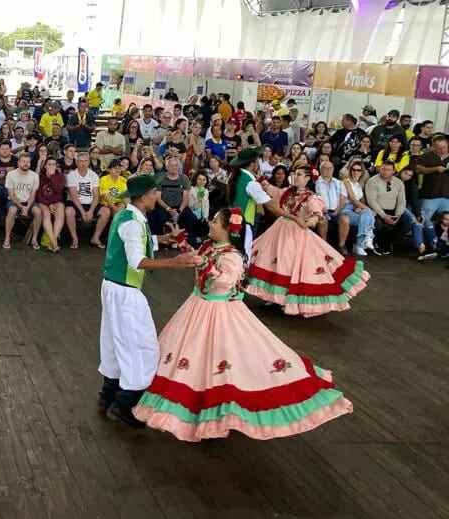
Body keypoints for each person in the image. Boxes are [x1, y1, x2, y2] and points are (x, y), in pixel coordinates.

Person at [132, 208, 353, 440]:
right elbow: (198, 259)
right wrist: (182, 243)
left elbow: (224, 282)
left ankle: (216, 413)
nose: (211, 223)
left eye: (216, 221)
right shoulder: (210, 246)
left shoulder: (233, 256)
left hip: (217, 311)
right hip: (198, 307)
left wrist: (204, 265)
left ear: (227, 229)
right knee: (193, 359)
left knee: (222, 358)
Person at [97, 175, 199, 427]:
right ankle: (125, 405)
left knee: (113, 342)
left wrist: (163, 240)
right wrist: (175, 263)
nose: (158, 196)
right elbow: (136, 260)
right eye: (155, 192)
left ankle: (107, 396)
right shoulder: (133, 223)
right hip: (125, 292)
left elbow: (134, 244)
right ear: (143, 197)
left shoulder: (127, 216)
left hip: (113, 287)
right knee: (141, 347)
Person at [246, 166, 369, 316]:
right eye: (295, 174)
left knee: (288, 263)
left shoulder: (311, 197)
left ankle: (284, 298)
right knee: (274, 261)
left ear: (307, 178)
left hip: (295, 232)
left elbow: (317, 214)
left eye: (299, 175)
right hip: (280, 229)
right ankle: (274, 296)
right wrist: (261, 181)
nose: (295, 176)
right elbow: (273, 190)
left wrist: (311, 220)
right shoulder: (288, 191)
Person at [3, 151, 41, 250]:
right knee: (12, 210)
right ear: (18, 163)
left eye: (28, 162)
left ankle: (34, 238)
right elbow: (11, 195)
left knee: (38, 211)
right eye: (23, 161)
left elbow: (33, 195)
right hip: (15, 201)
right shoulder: (11, 174)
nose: (26, 164)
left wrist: (27, 207)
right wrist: (21, 207)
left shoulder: (34, 176)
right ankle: (7, 238)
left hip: (28, 202)